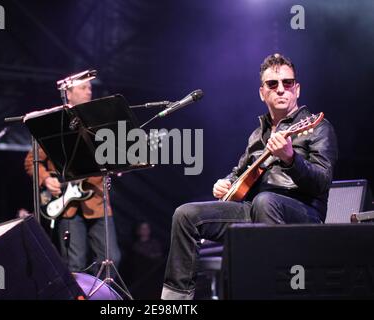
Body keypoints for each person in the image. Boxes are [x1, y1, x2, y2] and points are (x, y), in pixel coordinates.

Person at [161, 53, 338, 300]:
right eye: (272, 84)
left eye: (288, 83)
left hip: (303, 212)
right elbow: (240, 173)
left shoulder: (317, 127)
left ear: (297, 90)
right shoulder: (258, 135)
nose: (281, 90)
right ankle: (176, 303)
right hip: (254, 208)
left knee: (265, 200)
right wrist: (225, 184)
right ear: (262, 92)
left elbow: (322, 182)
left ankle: (273, 292)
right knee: (186, 215)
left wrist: (291, 159)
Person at [24, 80, 121, 274]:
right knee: (74, 264)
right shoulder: (56, 125)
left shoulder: (99, 120)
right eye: (83, 88)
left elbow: (113, 157)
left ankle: (100, 297)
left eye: (90, 88)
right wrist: (46, 179)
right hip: (68, 207)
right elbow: (31, 161)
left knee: (111, 259)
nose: (89, 92)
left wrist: (120, 162)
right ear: (67, 93)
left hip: (97, 200)